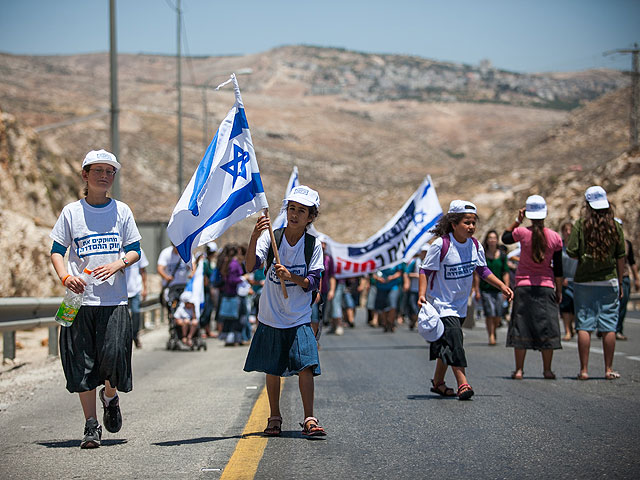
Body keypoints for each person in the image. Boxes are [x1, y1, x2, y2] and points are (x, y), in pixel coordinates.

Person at [49, 149, 141, 449]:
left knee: (113, 359)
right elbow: (57, 251)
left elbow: (135, 249)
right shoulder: (71, 213)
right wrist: (65, 277)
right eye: (98, 170)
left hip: (114, 301)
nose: (104, 176)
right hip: (79, 302)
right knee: (82, 364)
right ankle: (91, 425)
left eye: (109, 171)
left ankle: (110, 397)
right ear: (85, 175)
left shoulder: (122, 211)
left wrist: (119, 263)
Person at [244, 185, 326, 437]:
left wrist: (292, 277)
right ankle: (274, 417)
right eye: (292, 208)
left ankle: (309, 418)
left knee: (306, 365)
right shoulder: (272, 238)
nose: (295, 214)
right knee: (273, 368)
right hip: (271, 314)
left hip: (299, 316)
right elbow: (249, 266)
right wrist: (254, 237)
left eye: (301, 211)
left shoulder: (313, 245)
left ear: (311, 217)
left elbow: (313, 282)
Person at [419, 200, 512, 400]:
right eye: (466, 222)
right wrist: (422, 295)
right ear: (454, 224)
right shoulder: (441, 245)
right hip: (442, 305)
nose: (471, 227)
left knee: (448, 344)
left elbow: (482, 269)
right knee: (455, 340)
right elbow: (425, 270)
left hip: (461, 305)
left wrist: (502, 286)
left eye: (473, 223)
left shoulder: (475, 245)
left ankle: (438, 383)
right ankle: (463, 383)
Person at [566, 186, 626, 380]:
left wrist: (586, 256)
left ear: (588, 205)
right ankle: (608, 369)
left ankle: (584, 370)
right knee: (609, 326)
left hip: (584, 281)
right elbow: (621, 255)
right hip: (609, 281)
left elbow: (572, 251)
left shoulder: (580, 225)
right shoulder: (615, 226)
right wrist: (619, 278)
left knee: (584, 325)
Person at [502, 195, 563, 380]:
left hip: (523, 286)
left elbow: (505, 238)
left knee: (521, 326)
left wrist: (517, 220)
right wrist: (558, 291)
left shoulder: (521, 233)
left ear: (528, 213)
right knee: (547, 327)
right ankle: (547, 370)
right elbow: (558, 269)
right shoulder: (555, 237)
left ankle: (519, 370)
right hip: (545, 287)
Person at [474, 230, 510, 345]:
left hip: (499, 290)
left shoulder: (503, 256)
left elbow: (506, 273)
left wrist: (506, 287)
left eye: (494, 238)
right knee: (489, 313)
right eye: (490, 238)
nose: (492, 240)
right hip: (486, 289)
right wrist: (476, 289)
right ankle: (491, 335)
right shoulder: (482, 254)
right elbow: (478, 273)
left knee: (498, 314)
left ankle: (494, 330)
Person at [615, 219, 639, 341]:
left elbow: (632, 262)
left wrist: (636, 278)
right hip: (609, 278)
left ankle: (618, 330)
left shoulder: (626, 244)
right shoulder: (606, 242)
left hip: (623, 278)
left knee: (622, 304)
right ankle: (606, 329)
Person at [157, 244, 192, 314]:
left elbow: (192, 265)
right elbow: (160, 268)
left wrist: (191, 274)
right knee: (172, 307)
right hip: (171, 287)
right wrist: (167, 277)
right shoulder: (166, 253)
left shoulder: (186, 252)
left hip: (183, 286)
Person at [126, 248, 149, 348]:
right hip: (122, 291)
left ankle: (135, 335)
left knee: (136, 313)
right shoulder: (119, 250)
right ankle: (126, 338)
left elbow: (143, 270)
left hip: (135, 289)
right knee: (124, 317)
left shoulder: (138, 250)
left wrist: (145, 288)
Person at [559, 222, 578, 341]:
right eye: (566, 230)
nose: (568, 233)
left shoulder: (577, 246)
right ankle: (567, 330)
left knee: (574, 307)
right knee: (565, 307)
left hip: (577, 280)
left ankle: (571, 326)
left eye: (570, 230)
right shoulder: (559, 247)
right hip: (564, 280)